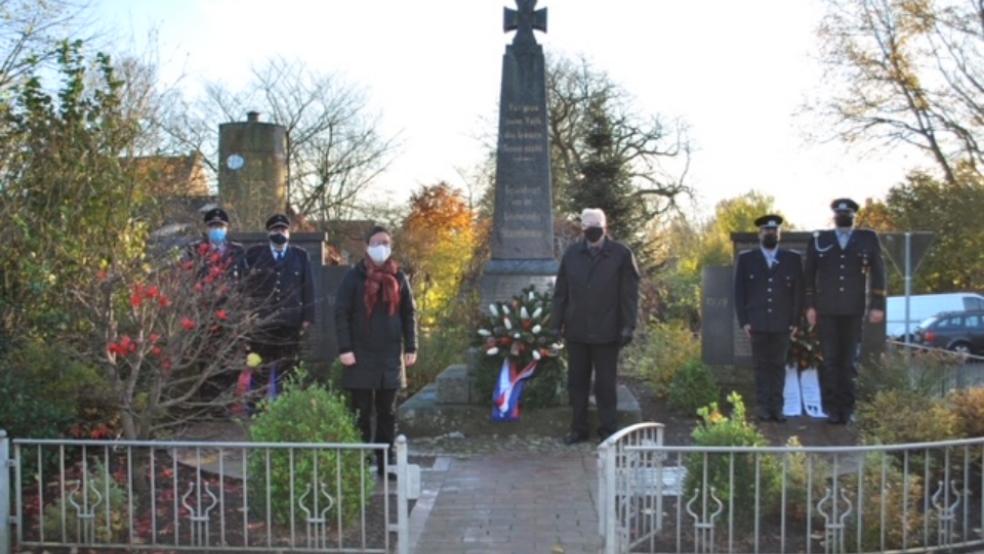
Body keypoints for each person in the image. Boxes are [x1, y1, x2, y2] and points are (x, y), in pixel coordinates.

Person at [552, 208, 640, 445]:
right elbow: (561, 293)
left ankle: (608, 430)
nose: (591, 229)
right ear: (581, 228)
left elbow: (629, 295)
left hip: (608, 331)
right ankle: (578, 429)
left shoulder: (621, 254)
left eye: (596, 224)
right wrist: (555, 324)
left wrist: (628, 326)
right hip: (577, 330)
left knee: (605, 384)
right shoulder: (571, 255)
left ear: (605, 227)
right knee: (576, 383)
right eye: (587, 225)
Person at [334, 225, 417, 476]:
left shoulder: (399, 276)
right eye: (377, 242)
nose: (382, 247)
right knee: (360, 412)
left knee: (387, 414)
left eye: (386, 242)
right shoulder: (353, 277)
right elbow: (341, 313)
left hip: (390, 356)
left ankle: (383, 463)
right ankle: (360, 462)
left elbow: (409, 313)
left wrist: (411, 345)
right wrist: (345, 348)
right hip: (359, 354)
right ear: (367, 246)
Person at [804, 198, 886, 425]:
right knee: (830, 361)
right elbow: (809, 274)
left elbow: (878, 272)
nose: (843, 217)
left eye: (847, 214)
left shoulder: (867, 238)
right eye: (839, 214)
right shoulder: (821, 239)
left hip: (853, 309)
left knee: (849, 361)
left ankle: (847, 408)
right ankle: (832, 408)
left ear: (853, 216)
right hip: (827, 309)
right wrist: (810, 305)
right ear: (834, 216)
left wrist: (877, 305)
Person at [733, 214, 803, 422]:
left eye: (774, 230)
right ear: (760, 234)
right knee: (761, 367)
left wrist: (795, 321)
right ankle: (763, 407)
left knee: (779, 367)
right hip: (757, 322)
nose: (770, 233)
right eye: (766, 230)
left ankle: (777, 408)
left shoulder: (792, 259)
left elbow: (798, 293)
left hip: (782, 323)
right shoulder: (747, 260)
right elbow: (739, 292)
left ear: (779, 234)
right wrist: (744, 321)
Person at [244, 213, 315, 396]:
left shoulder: (300, 256)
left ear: (289, 232)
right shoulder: (255, 255)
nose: (280, 233)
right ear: (268, 233)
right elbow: (247, 287)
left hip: (290, 323)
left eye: (283, 229)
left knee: (289, 369)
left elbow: (308, 288)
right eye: (276, 229)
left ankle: (285, 405)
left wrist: (308, 318)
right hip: (263, 323)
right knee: (259, 366)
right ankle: (256, 409)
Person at [184, 207, 247, 280]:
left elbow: (243, 276)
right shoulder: (194, 249)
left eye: (220, 226)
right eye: (213, 226)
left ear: (227, 228)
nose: (217, 229)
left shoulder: (237, 250)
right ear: (206, 228)